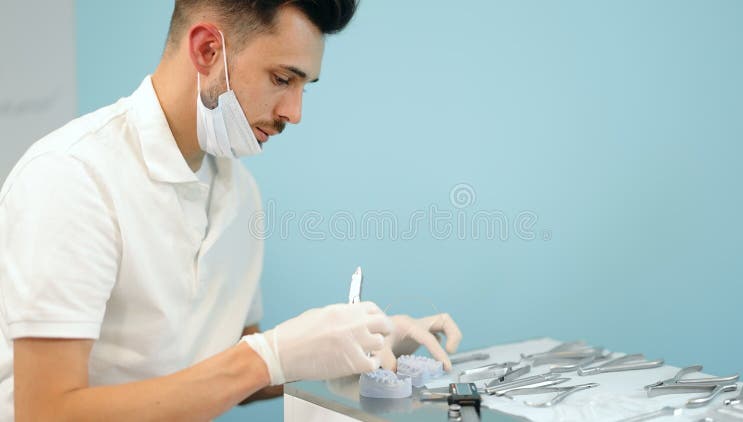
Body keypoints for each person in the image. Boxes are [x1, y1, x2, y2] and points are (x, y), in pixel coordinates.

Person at [0, 1, 462, 420]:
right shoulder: (73, 178)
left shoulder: (237, 191)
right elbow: (45, 412)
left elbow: (229, 369)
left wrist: (343, 353)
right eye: (282, 78)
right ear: (206, 50)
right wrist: (266, 356)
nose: (295, 112)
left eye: (305, 86)